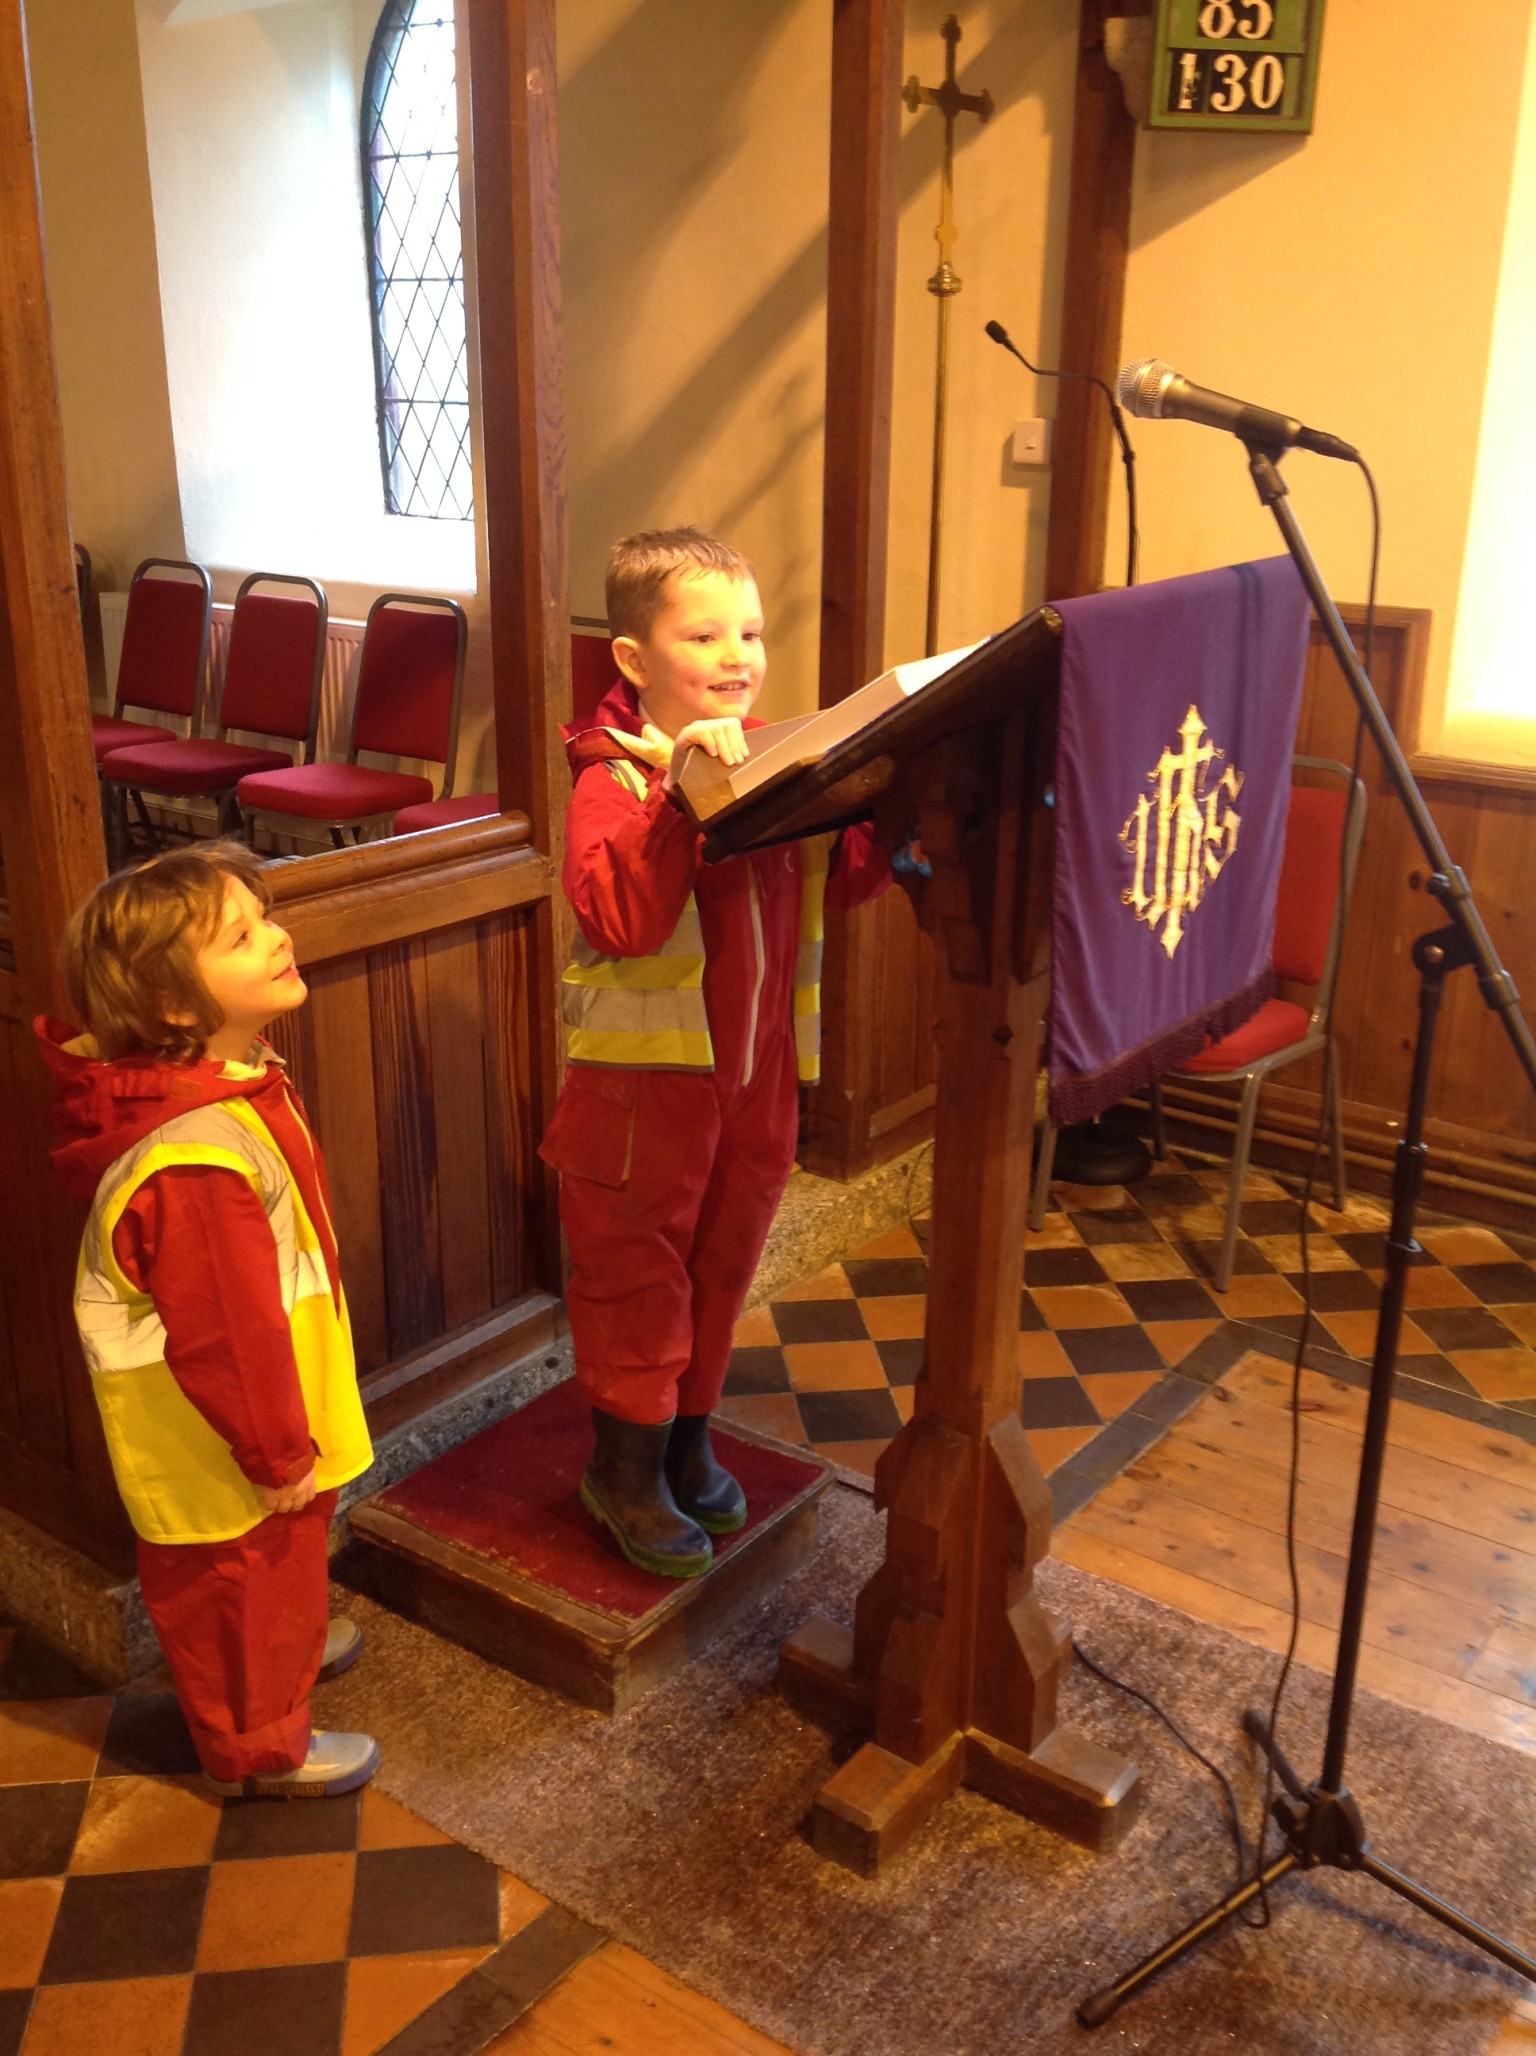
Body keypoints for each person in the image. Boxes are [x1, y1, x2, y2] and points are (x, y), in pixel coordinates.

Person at [541, 527, 892, 1577]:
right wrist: (684, 798)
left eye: (751, 630)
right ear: (635, 662)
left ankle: (687, 1443)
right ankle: (625, 1467)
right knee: (638, 1275)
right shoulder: (618, 782)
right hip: (644, 1098)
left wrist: (875, 793)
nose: (737, 654)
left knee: (723, 1262)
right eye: (703, 634)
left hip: (753, 1083)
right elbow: (624, 920)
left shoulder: (766, 758)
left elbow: (849, 881)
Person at [36, 843, 379, 1798]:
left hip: (256, 1419)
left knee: (277, 1573)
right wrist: (276, 1454)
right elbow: (226, 1331)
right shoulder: (192, 1157)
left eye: (263, 916)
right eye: (243, 934)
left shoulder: (232, 1077)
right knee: (242, 1589)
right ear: (179, 1008)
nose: (277, 935)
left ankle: (285, 1667)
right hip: (224, 1437)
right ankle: (261, 1748)